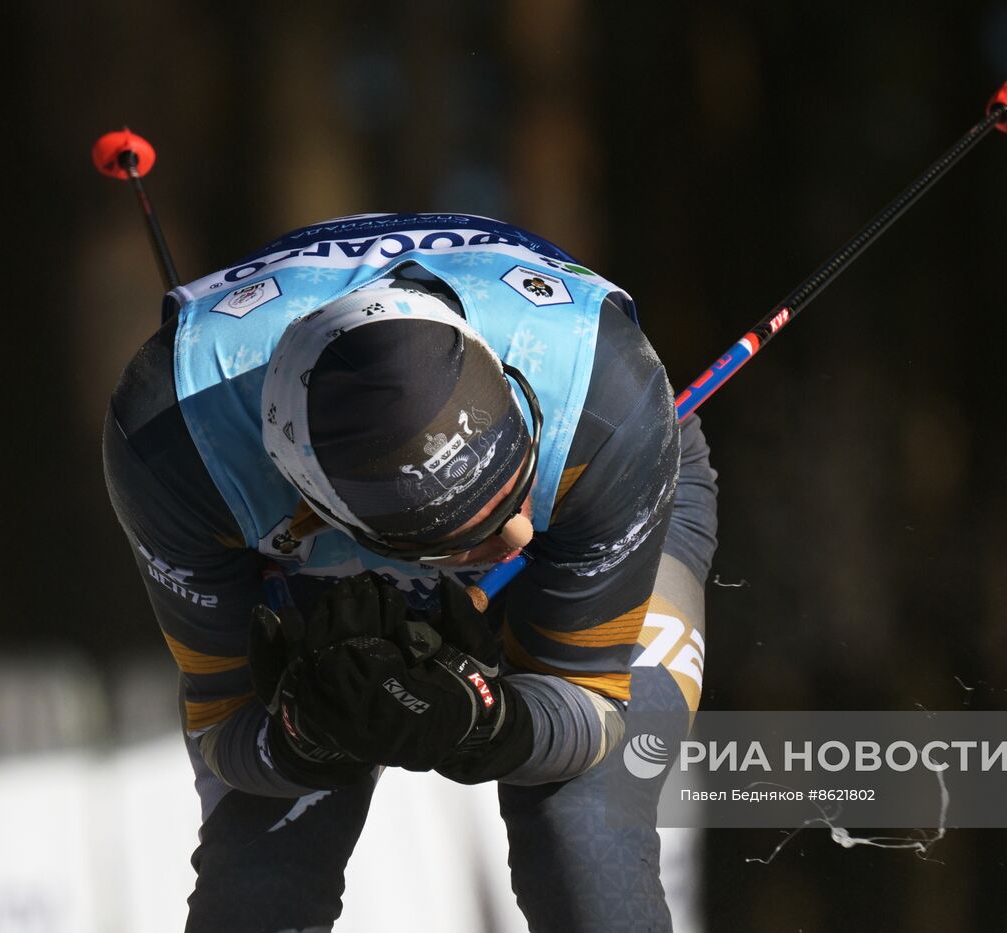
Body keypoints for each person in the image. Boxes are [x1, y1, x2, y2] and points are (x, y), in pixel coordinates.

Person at [103, 212, 718, 931]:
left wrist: (490, 723)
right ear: (327, 511)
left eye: (510, 493)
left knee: (581, 835)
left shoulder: (604, 402)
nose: (516, 530)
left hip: (586, 483)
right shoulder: (174, 450)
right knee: (261, 878)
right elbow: (224, 727)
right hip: (293, 541)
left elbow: (592, 713)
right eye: (467, 538)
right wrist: (308, 734)